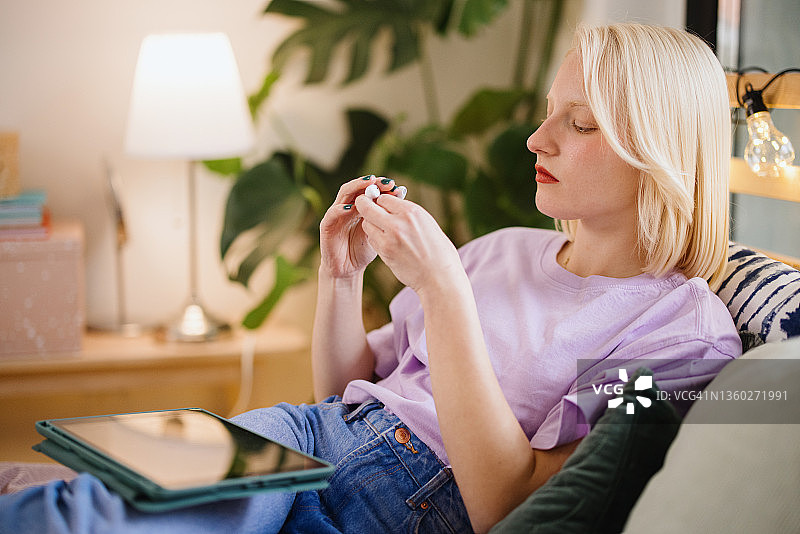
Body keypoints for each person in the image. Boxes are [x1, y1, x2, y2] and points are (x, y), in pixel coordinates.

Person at [0, 22, 741, 534]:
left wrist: (444, 291)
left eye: (580, 124)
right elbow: (343, 390)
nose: (536, 139)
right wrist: (341, 275)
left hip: (410, 504)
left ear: (661, 148)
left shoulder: (681, 335)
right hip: (309, 436)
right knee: (102, 513)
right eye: (550, 114)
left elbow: (505, 507)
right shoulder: (504, 250)